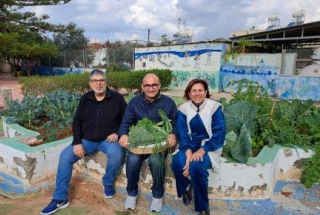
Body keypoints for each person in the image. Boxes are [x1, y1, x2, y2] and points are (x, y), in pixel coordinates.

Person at [41, 69, 127, 215]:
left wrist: (118, 133)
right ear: (90, 83)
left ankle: (107, 183)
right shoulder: (85, 99)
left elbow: (127, 119)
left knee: (117, 154)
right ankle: (60, 198)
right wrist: (77, 142)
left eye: (101, 80)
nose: (98, 83)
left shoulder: (117, 98)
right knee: (65, 157)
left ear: (106, 82)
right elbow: (77, 121)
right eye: (95, 81)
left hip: (108, 140)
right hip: (86, 140)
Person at [118, 73, 178, 213]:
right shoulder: (134, 102)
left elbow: (175, 122)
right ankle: (132, 193)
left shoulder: (168, 103)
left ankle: (157, 195)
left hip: (159, 144)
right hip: (139, 143)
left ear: (159, 86)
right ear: (142, 87)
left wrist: (173, 134)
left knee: (156, 161)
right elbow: (126, 121)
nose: (151, 88)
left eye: (154, 85)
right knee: (132, 160)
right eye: (147, 85)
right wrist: (123, 135)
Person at [171, 79, 226, 215]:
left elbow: (219, 134)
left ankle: (202, 206)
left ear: (206, 92)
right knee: (178, 163)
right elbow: (183, 134)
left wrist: (202, 150)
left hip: (209, 147)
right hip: (187, 145)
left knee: (196, 167)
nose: (197, 94)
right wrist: (189, 153)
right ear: (189, 94)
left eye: (200, 90)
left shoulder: (214, 108)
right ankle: (186, 189)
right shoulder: (183, 109)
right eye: (193, 91)